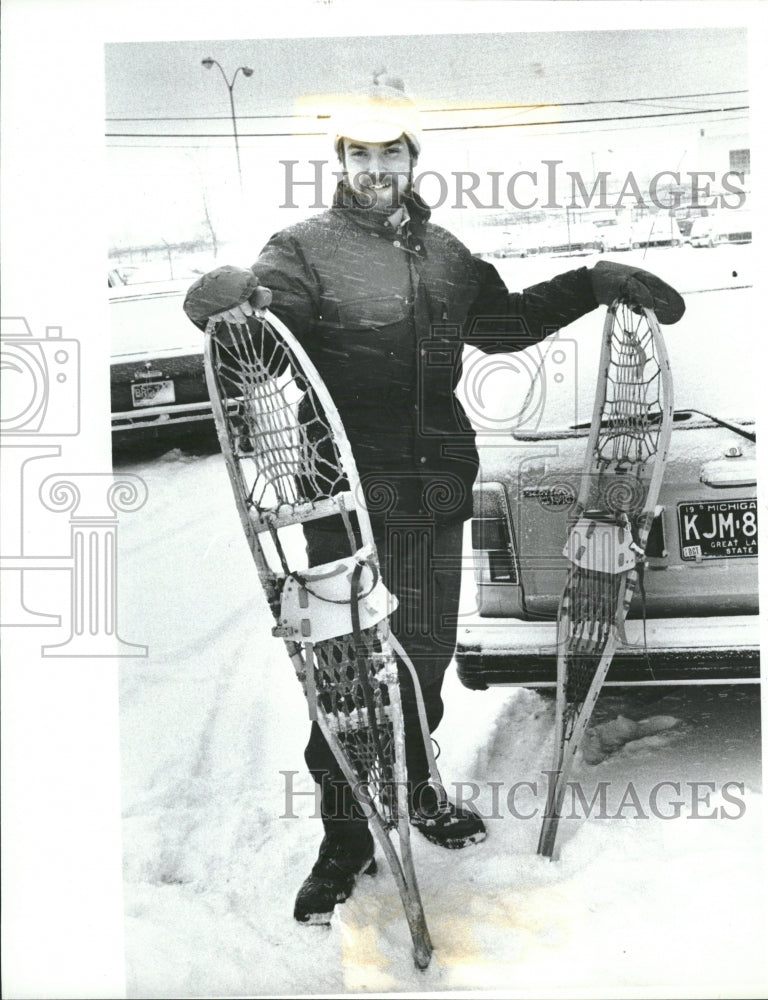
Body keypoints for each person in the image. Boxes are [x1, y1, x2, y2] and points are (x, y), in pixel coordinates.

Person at [184, 72, 685, 924]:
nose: (375, 167)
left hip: (431, 486)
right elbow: (264, 327)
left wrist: (592, 280)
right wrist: (222, 300)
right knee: (347, 670)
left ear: (412, 159)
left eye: (390, 153)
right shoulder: (303, 248)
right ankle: (344, 840)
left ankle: (417, 790)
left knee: (418, 655)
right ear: (341, 161)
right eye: (359, 154)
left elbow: (505, 324)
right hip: (341, 489)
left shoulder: (447, 253)